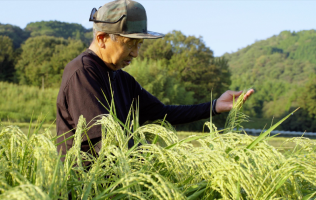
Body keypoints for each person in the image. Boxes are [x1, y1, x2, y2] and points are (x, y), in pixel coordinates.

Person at [56, 0, 254, 163]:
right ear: (102, 38)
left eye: (139, 44)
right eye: (130, 44)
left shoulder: (122, 79)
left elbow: (162, 113)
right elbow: (106, 141)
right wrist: (163, 159)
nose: (136, 53)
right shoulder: (83, 73)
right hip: (86, 189)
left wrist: (214, 106)